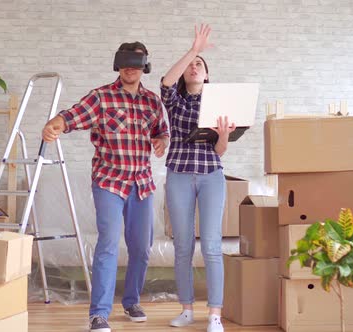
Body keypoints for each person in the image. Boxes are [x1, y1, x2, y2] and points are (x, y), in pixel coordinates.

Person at [42, 41, 169, 332]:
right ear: (117, 64)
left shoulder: (152, 102)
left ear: (144, 66)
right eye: (125, 61)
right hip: (109, 182)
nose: (130, 67)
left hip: (142, 185)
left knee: (141, 248)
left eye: (136, 62)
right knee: (109, 245)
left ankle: (131, 301)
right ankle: (98, 314)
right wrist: (55, 123)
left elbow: (162, 131)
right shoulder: (101, 98)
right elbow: (72, 116)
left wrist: (162, 141)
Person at [160, 24, 235, 332]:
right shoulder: (175, 100)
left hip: (211, 176)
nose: (194, 67)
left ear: (207, 76)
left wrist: (224, 137)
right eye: (191, 65)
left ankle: (215, 315)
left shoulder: (218, 104)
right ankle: (187, 309)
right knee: (183, 247)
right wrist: (194, 50)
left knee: (212, 247)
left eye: (199, 65)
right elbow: (165, 82)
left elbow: (219, 151)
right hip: (178, 174)